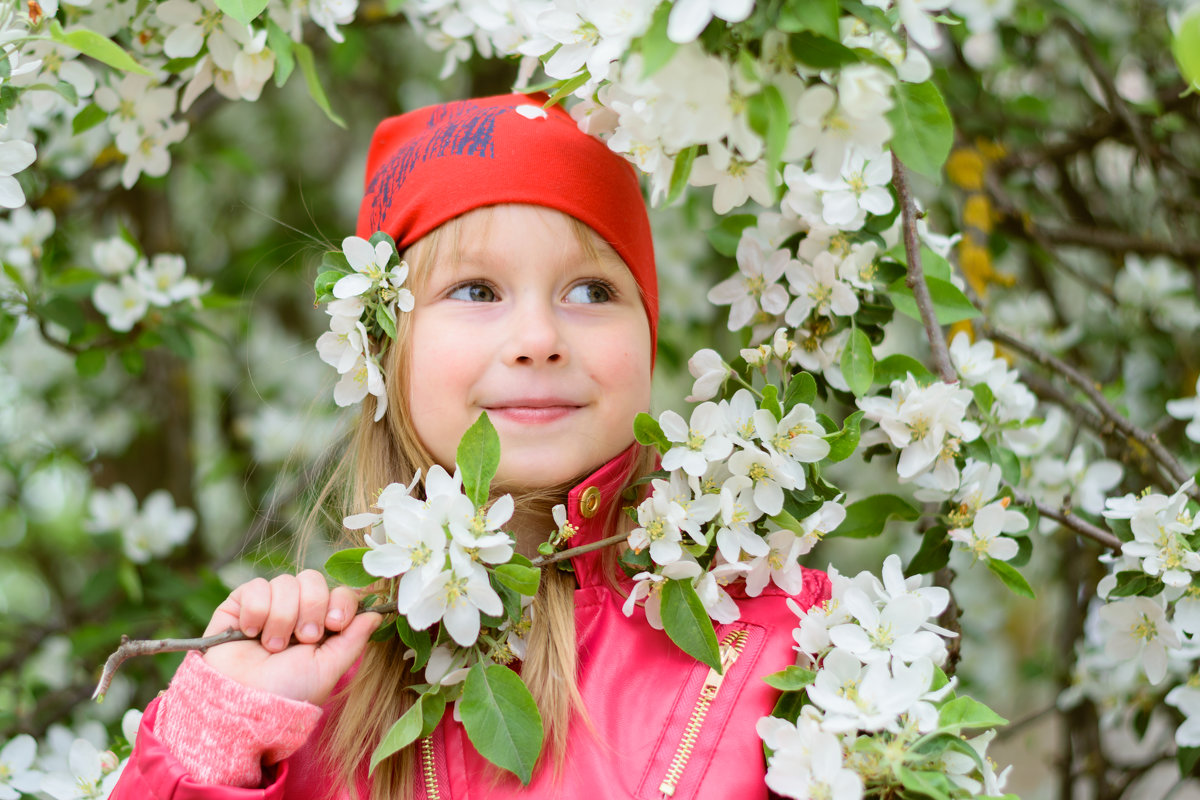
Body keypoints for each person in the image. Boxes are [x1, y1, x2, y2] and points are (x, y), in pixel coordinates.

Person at [109, 93, 831, 800]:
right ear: (384, 348)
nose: (539, 341)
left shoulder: (789, 634)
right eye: (477, 291)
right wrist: (217, 740)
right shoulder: (307, 700)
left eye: (590, 291)